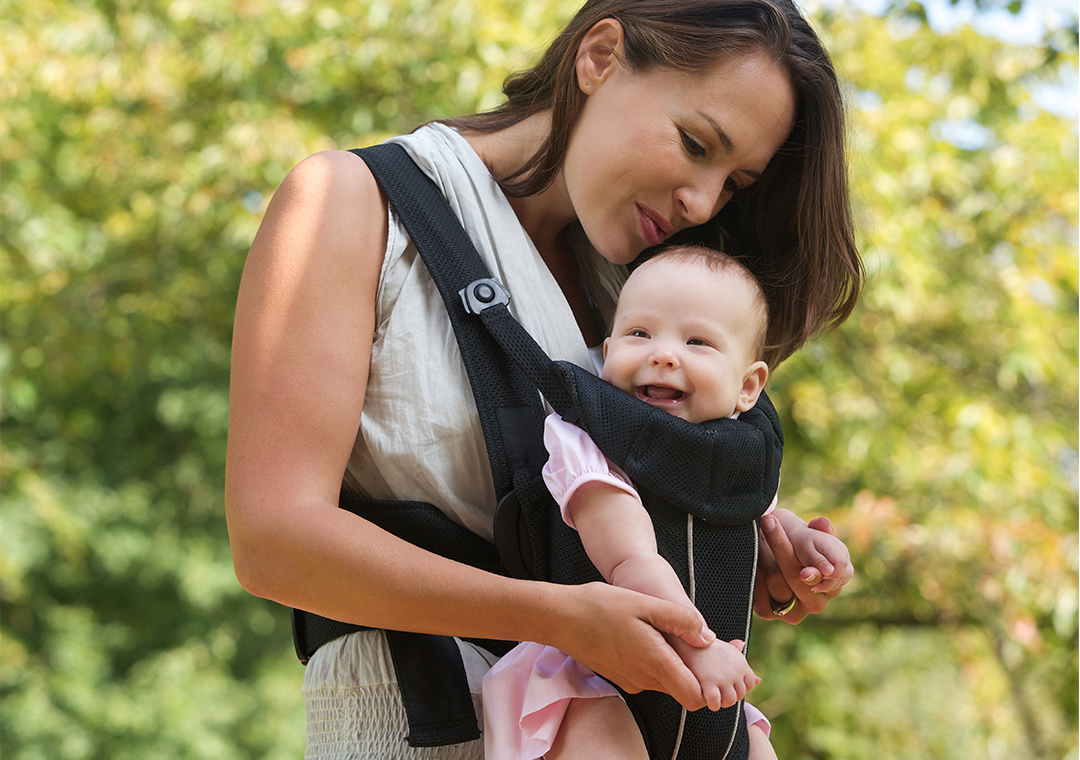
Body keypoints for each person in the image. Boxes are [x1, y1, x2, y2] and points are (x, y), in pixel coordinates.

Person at [225, 0, 863, 756]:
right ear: (599, 58)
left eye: (733, 184)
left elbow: (614, 499)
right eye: (695, 144)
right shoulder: (352, 203)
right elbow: (274, 540)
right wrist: (556, 616)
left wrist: (735, 541)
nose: (701, 200)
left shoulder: (640, 294)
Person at [482, 246, 850, 760]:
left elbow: (759, 523)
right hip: (597, 679)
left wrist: (805, 546)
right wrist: (699, 644)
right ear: (607, 352)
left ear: (747, 387)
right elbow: (632, 559)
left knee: (760, 750)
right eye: (640, 334)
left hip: (709, 684)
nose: (663, 353)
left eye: (696, 341)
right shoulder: (588, 441)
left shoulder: (735, 457)